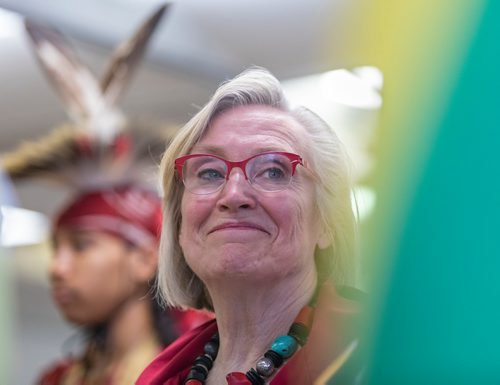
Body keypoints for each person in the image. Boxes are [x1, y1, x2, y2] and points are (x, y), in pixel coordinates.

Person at [136, 67, 365, 385]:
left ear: (326, 222)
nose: (233, 195)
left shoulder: (383, 356)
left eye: (273, 170)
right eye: (209, 172)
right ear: (179, 224)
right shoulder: (162, 377)